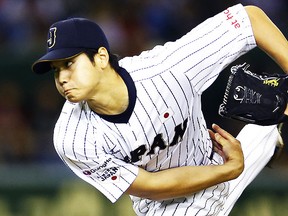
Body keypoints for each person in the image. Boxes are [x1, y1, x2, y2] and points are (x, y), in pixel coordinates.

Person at [32, 4, 288, 215]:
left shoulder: (168, 70)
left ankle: (267, 130)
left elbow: (249, 19)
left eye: (69, 63)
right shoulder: (72, 137)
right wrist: (226, 171)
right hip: (162, 203)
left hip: (211, 159)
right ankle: (265, 132)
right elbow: (151, 185)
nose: (62, 78)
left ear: (101, 57)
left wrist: (227, 169)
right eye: (56, 70)